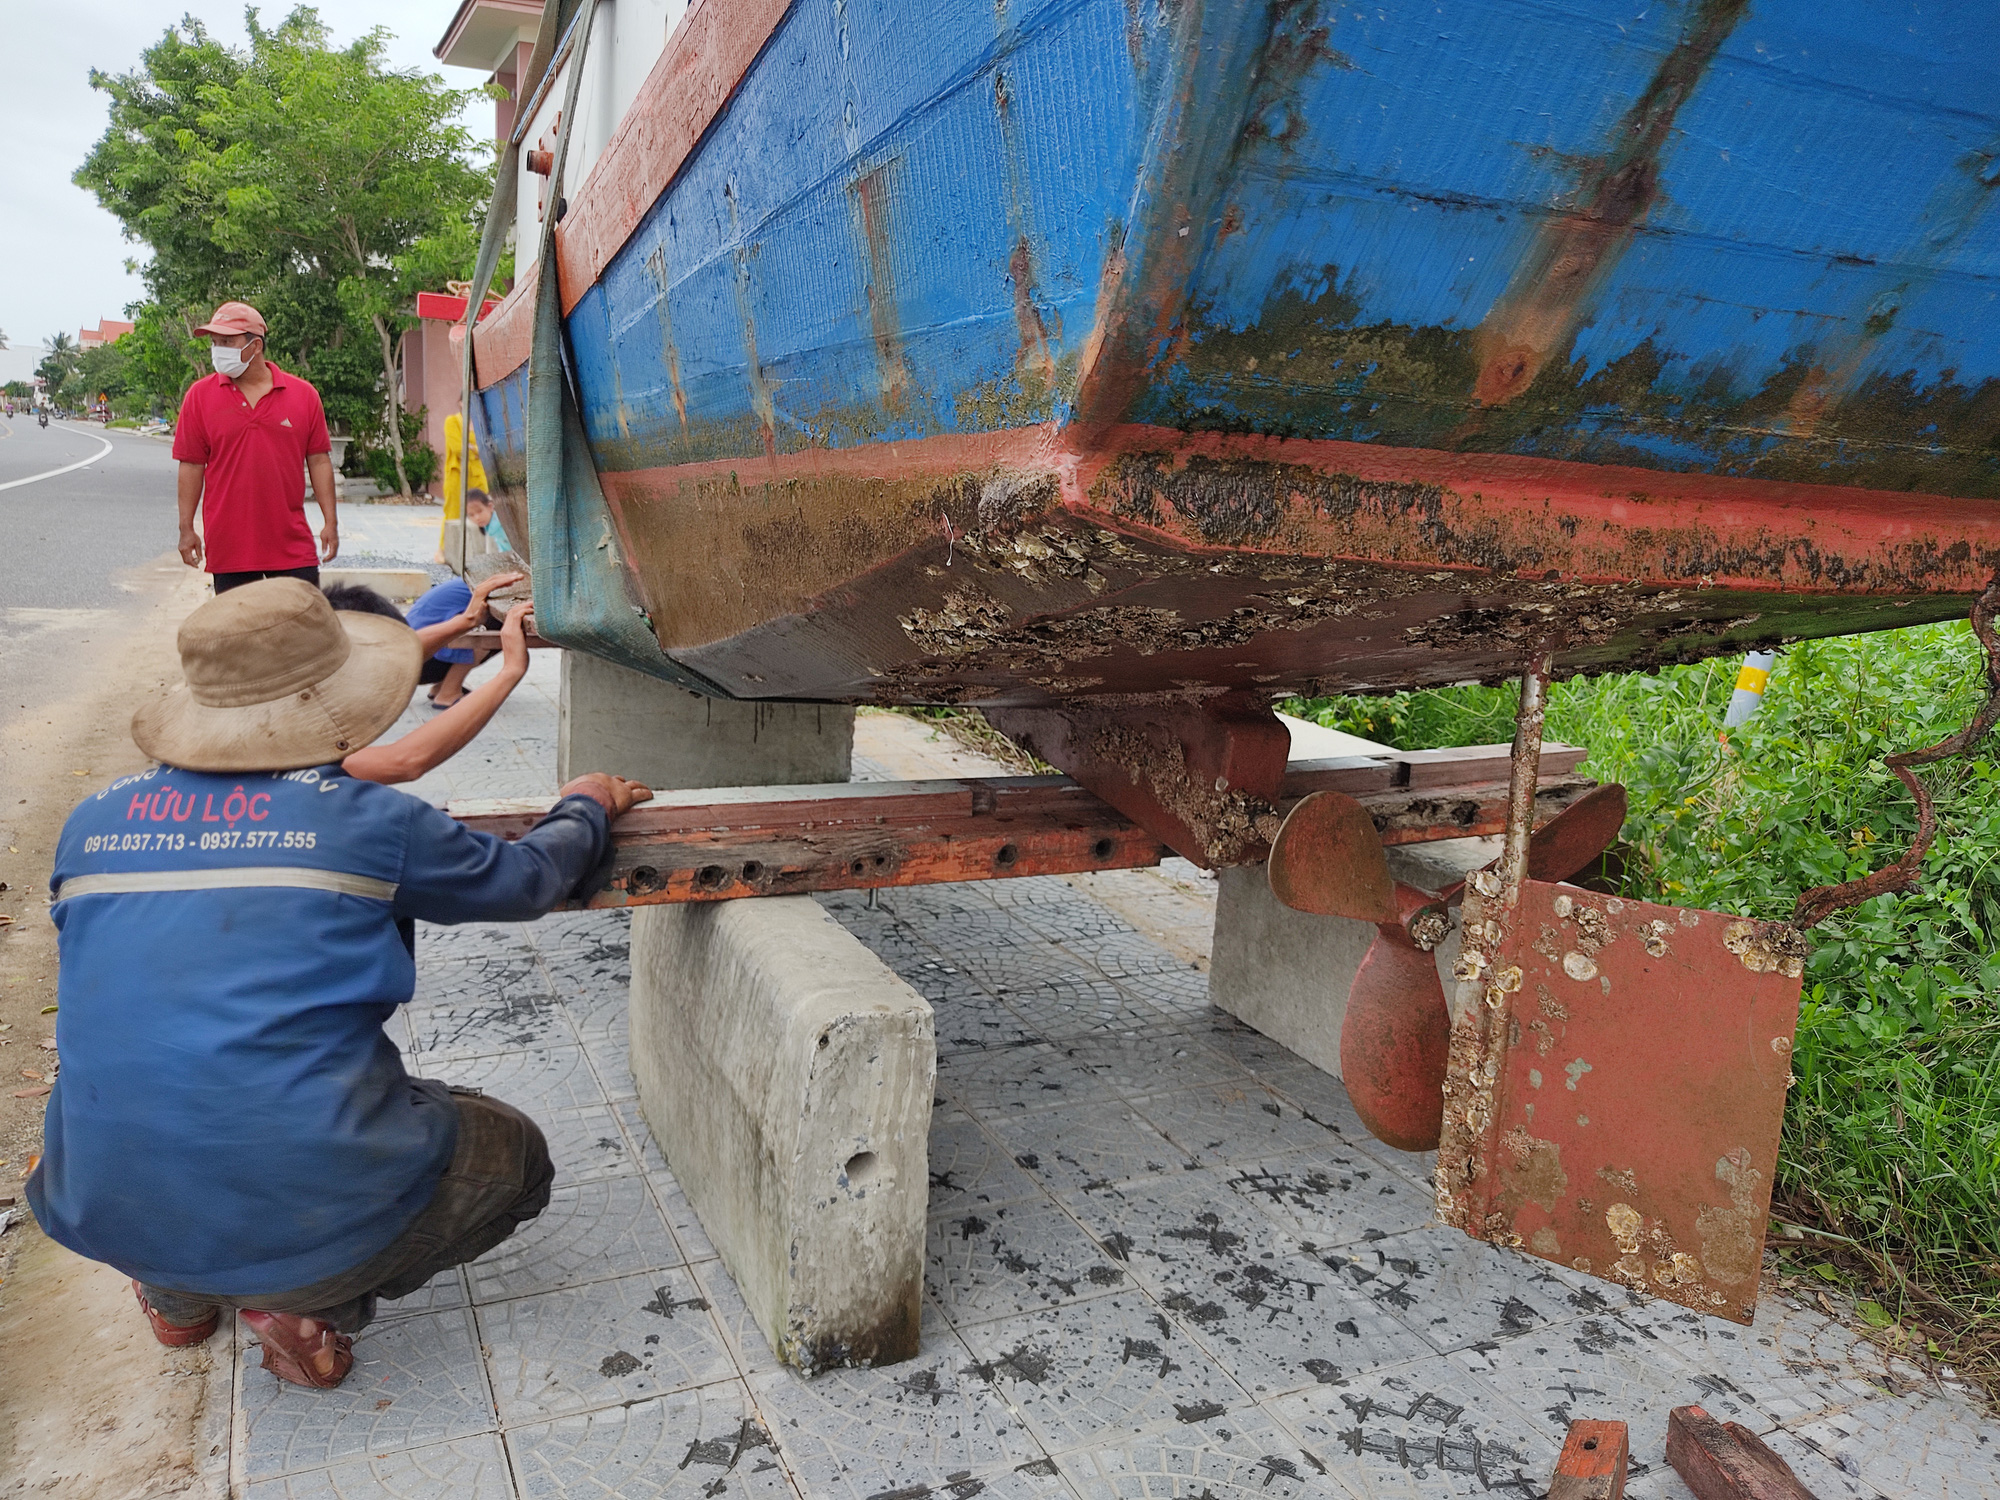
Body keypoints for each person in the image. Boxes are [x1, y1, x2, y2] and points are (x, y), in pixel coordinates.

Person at [27, 579, 650, 1388]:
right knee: (513, 1156)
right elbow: (528, 882)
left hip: (96, 1198)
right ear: (334, 701)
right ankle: (309, 1302)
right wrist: (585, 804)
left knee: (173, 1116)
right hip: (290, 1193)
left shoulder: (93, 819)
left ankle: (174, 1299)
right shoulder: (369, 822)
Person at [174, 302, 339, 593]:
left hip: (292, 546)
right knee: (240, 636)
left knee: (300, 631)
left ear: (256, 346)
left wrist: (330, 522)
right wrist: (186, 528)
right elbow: (191, 465)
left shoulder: (304, 396)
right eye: (215, 342)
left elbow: (319, 460)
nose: (218, 349)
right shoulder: (199, 397)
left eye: (227, 341)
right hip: (230, 550)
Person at [321, 580, 535, 780]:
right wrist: (511, 671)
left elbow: (393, 655)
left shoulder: (312, 666)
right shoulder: (305, 750)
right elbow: (404, 762)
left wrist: (468, 620)